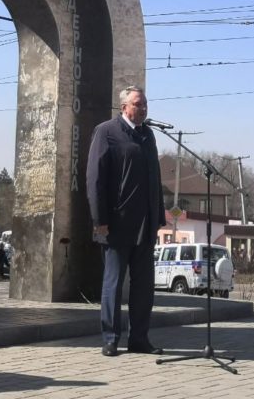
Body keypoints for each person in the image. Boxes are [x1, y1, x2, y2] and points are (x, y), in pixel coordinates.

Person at [87, 85, 166, 357]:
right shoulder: (106, 132)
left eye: (145, 104)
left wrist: (159, 217)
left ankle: (140, 339)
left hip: (145, 225)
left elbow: (155, 178)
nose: (142, 108)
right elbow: (94, 179)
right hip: (116, 224)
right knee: (113, 284)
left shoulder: (148, 135)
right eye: (137, 104)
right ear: (123, 107)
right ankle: (110, 338)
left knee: (143, 287)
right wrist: (100, 219)